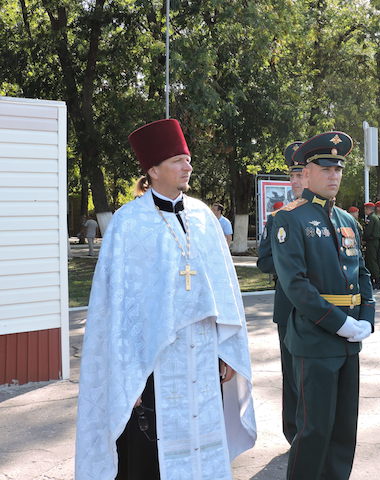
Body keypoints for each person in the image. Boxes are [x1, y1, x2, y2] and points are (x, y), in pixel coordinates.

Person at [75, 119, 256, 480]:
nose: (188, 166)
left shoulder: (204, 217)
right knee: (149, 455)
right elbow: (117, 308)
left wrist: (227, 349)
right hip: (153, 362)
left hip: (203, 357)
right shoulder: (129, 223)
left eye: (187, 159)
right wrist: (128, 376)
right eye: (178, 160)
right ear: (153, 171)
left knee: (204, 446)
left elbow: (224, 291)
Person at [271, 131, 375, 480]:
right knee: (314, 430)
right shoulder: (290, 218)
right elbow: (296, 285)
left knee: (344, 430)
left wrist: (367, 318)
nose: (334, 176)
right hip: (315, 340)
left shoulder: (348, 220)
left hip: (349, 342)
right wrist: (342, 323)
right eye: (325, 168)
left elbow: (362, 273)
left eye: (339, 169)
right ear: (308, 173)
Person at [256, 140, 305, 445]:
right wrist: (292, 260)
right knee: (293, 376)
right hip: (289, 309)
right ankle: (296, 433)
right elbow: (263, 261)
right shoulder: (278, 219)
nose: (296, 181)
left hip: (326, 309)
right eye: (293, 175)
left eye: (302, 174)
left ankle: (319, 432)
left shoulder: (331, 215)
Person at [363, 201, 380, 289]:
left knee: (372, 261)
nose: (364, 211)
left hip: (371, 241)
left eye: (365, 209)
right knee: (372, 261)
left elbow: (368, 232)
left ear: (368, 209)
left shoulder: (371, 218)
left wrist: (364, 239)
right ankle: (376, 280)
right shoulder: (375, 217)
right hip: (375, 241)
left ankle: (376, 280)